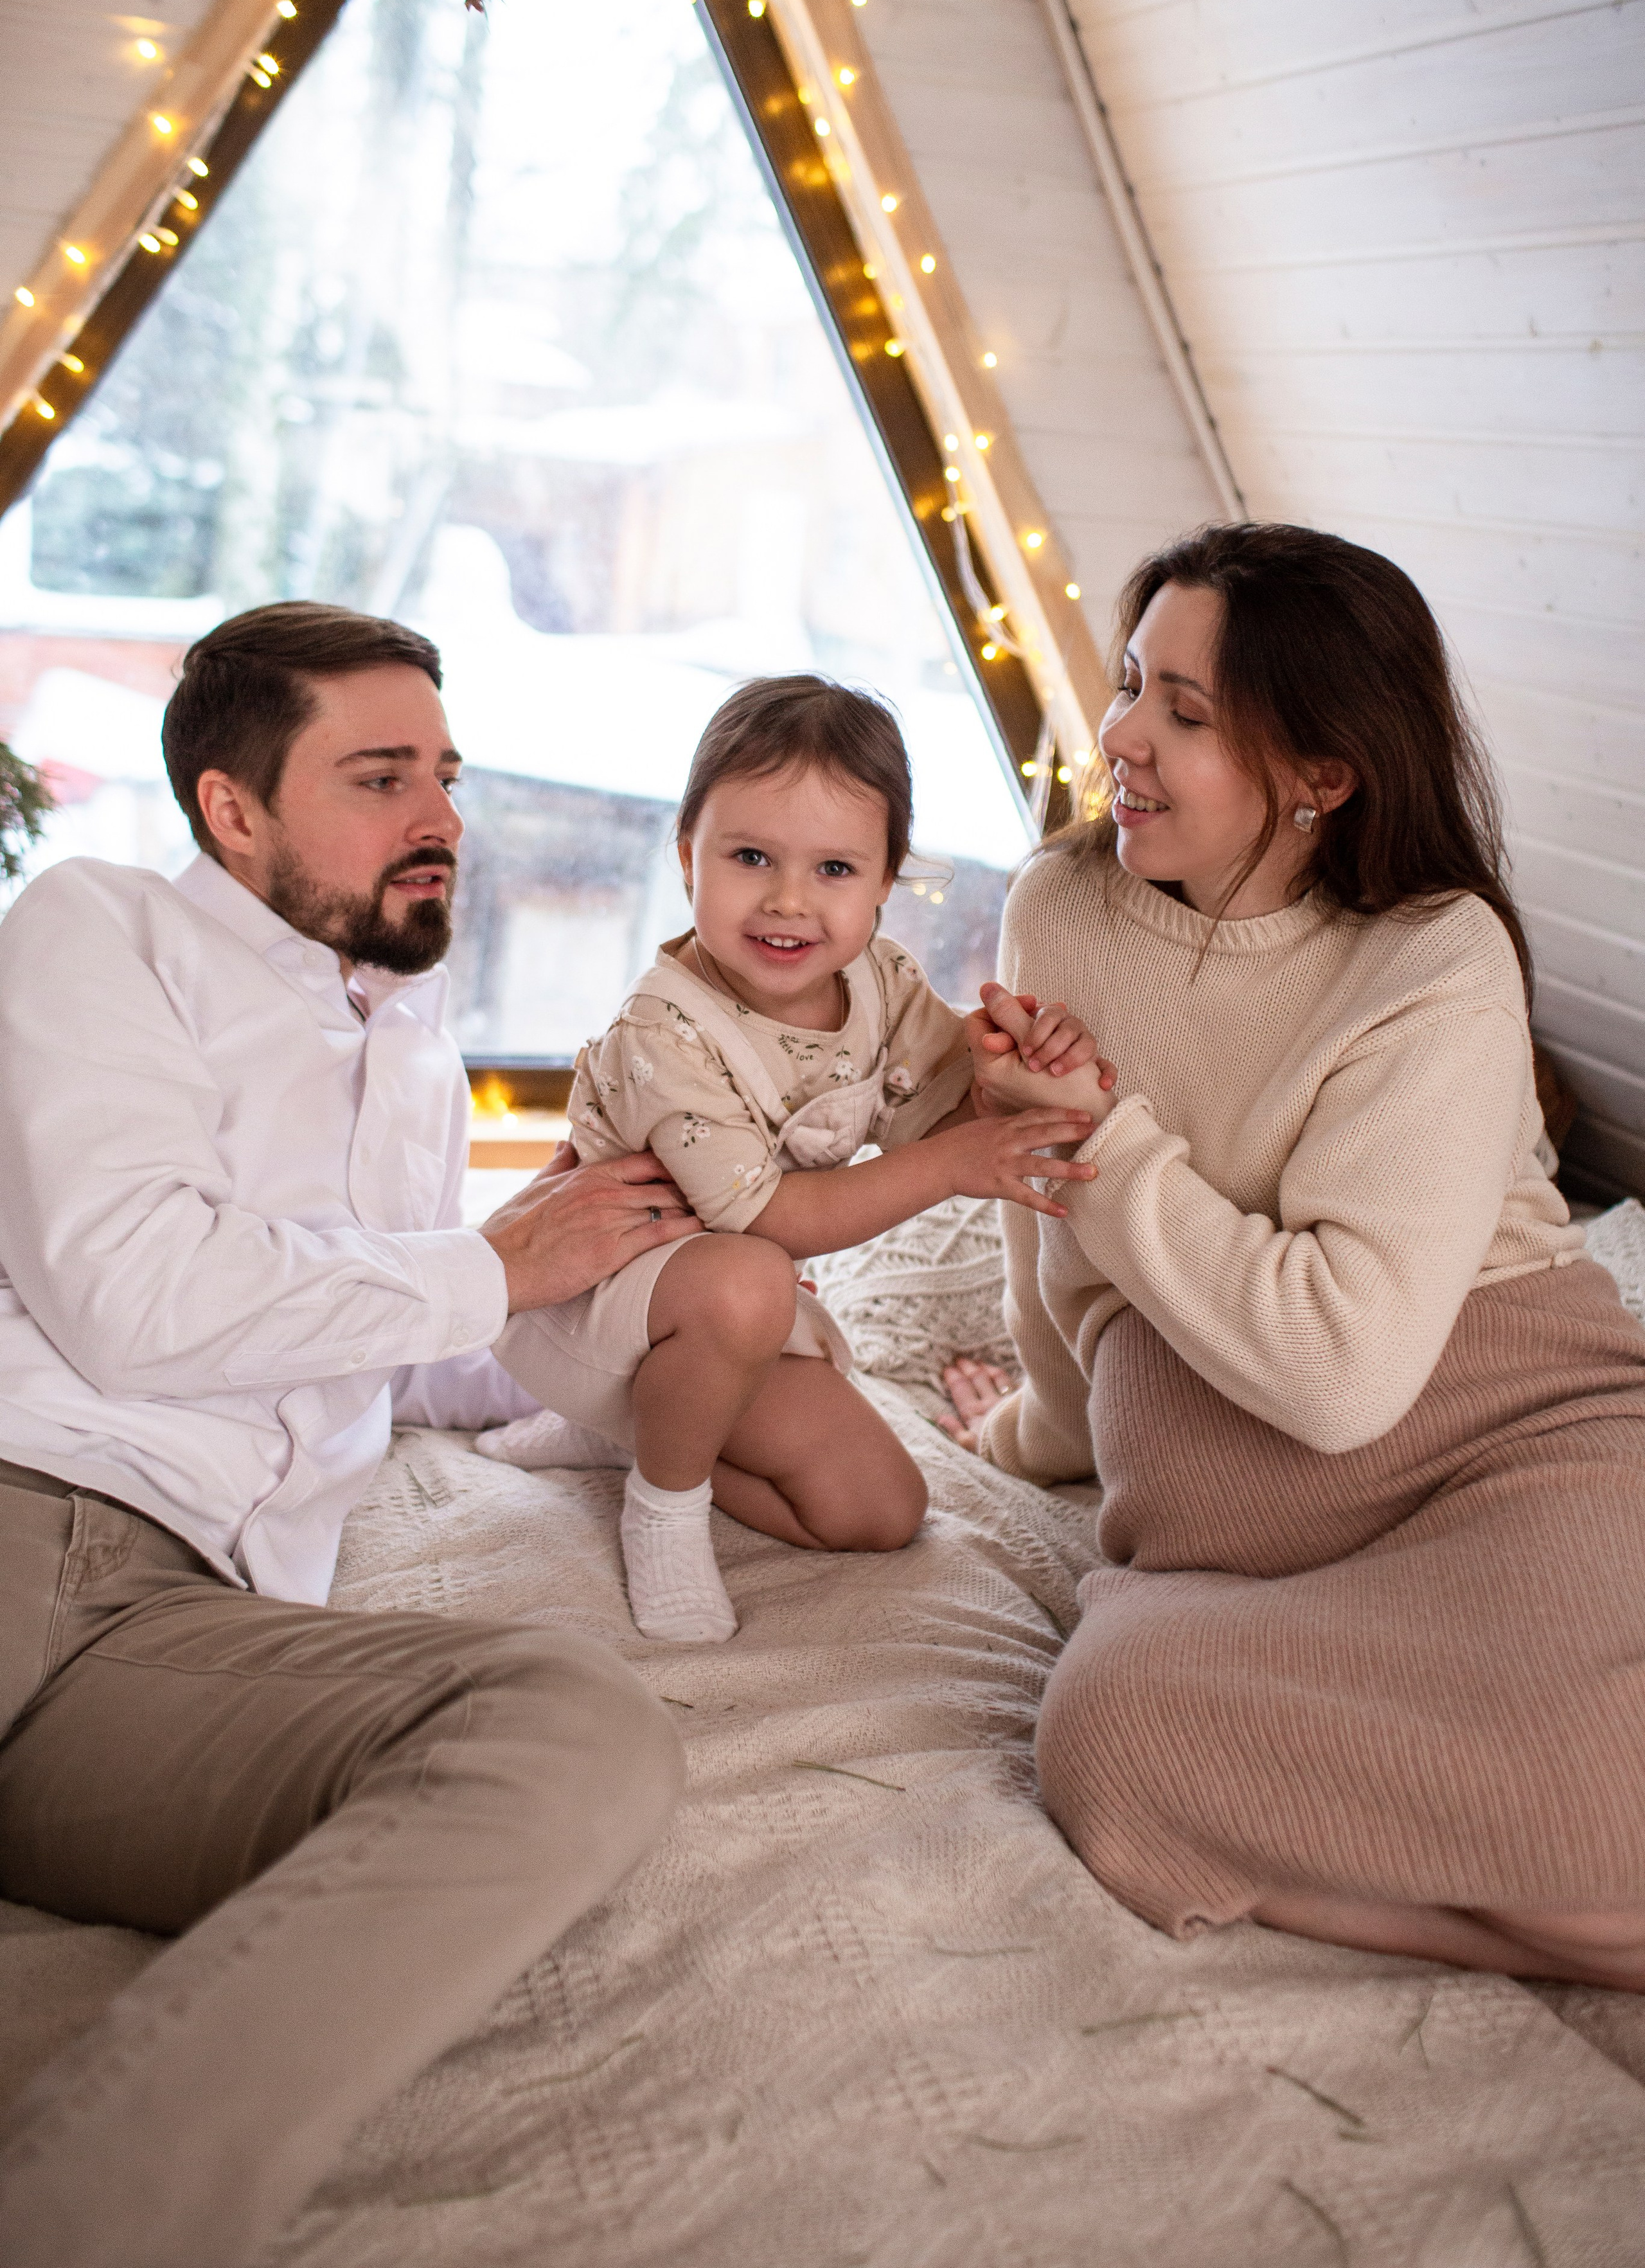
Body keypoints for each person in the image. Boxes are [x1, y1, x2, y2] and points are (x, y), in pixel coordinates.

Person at [0, 602, 695, 2268]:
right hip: (25, 1507)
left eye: (445, 775)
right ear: (232, 809)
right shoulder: (101, 930)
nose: (440, 815)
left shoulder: (415, 1061)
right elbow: (135, 1294)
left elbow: (392, 1356)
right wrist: (490, 1266)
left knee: (577, 1734)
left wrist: (638, 1347)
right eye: (381, 778)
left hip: (184, 1631)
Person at [945, 522, 1645, 1992]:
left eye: (1184, 713)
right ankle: (1568, 1927)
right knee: (1109, 1739)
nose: (1119, 738)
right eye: (1128, 683)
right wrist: (1040, 1426)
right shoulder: (1058, 910)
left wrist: (1112, 1138)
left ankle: (1548, 1916)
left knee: (1608, 1789)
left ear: (1322, 774)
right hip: (1230, 1534)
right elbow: (1041, 1225)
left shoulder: (1435, 957)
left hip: (1509, 1449)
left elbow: (1338, 1376)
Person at [497, 674, 1108, 1644]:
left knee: (878, 1511)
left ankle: (635, 1433)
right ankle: (662, 1507)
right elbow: (769, 1219)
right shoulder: (664, 1029)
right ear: (688, 856)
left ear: (885, 879)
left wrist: (1016, 1068)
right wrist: (953, 1165)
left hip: (725, 1331)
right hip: (595, 1310)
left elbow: (941, 1116)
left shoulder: (880, 981)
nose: (788, 901)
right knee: (748, 1275)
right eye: (750, 858)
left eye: (834, 869)